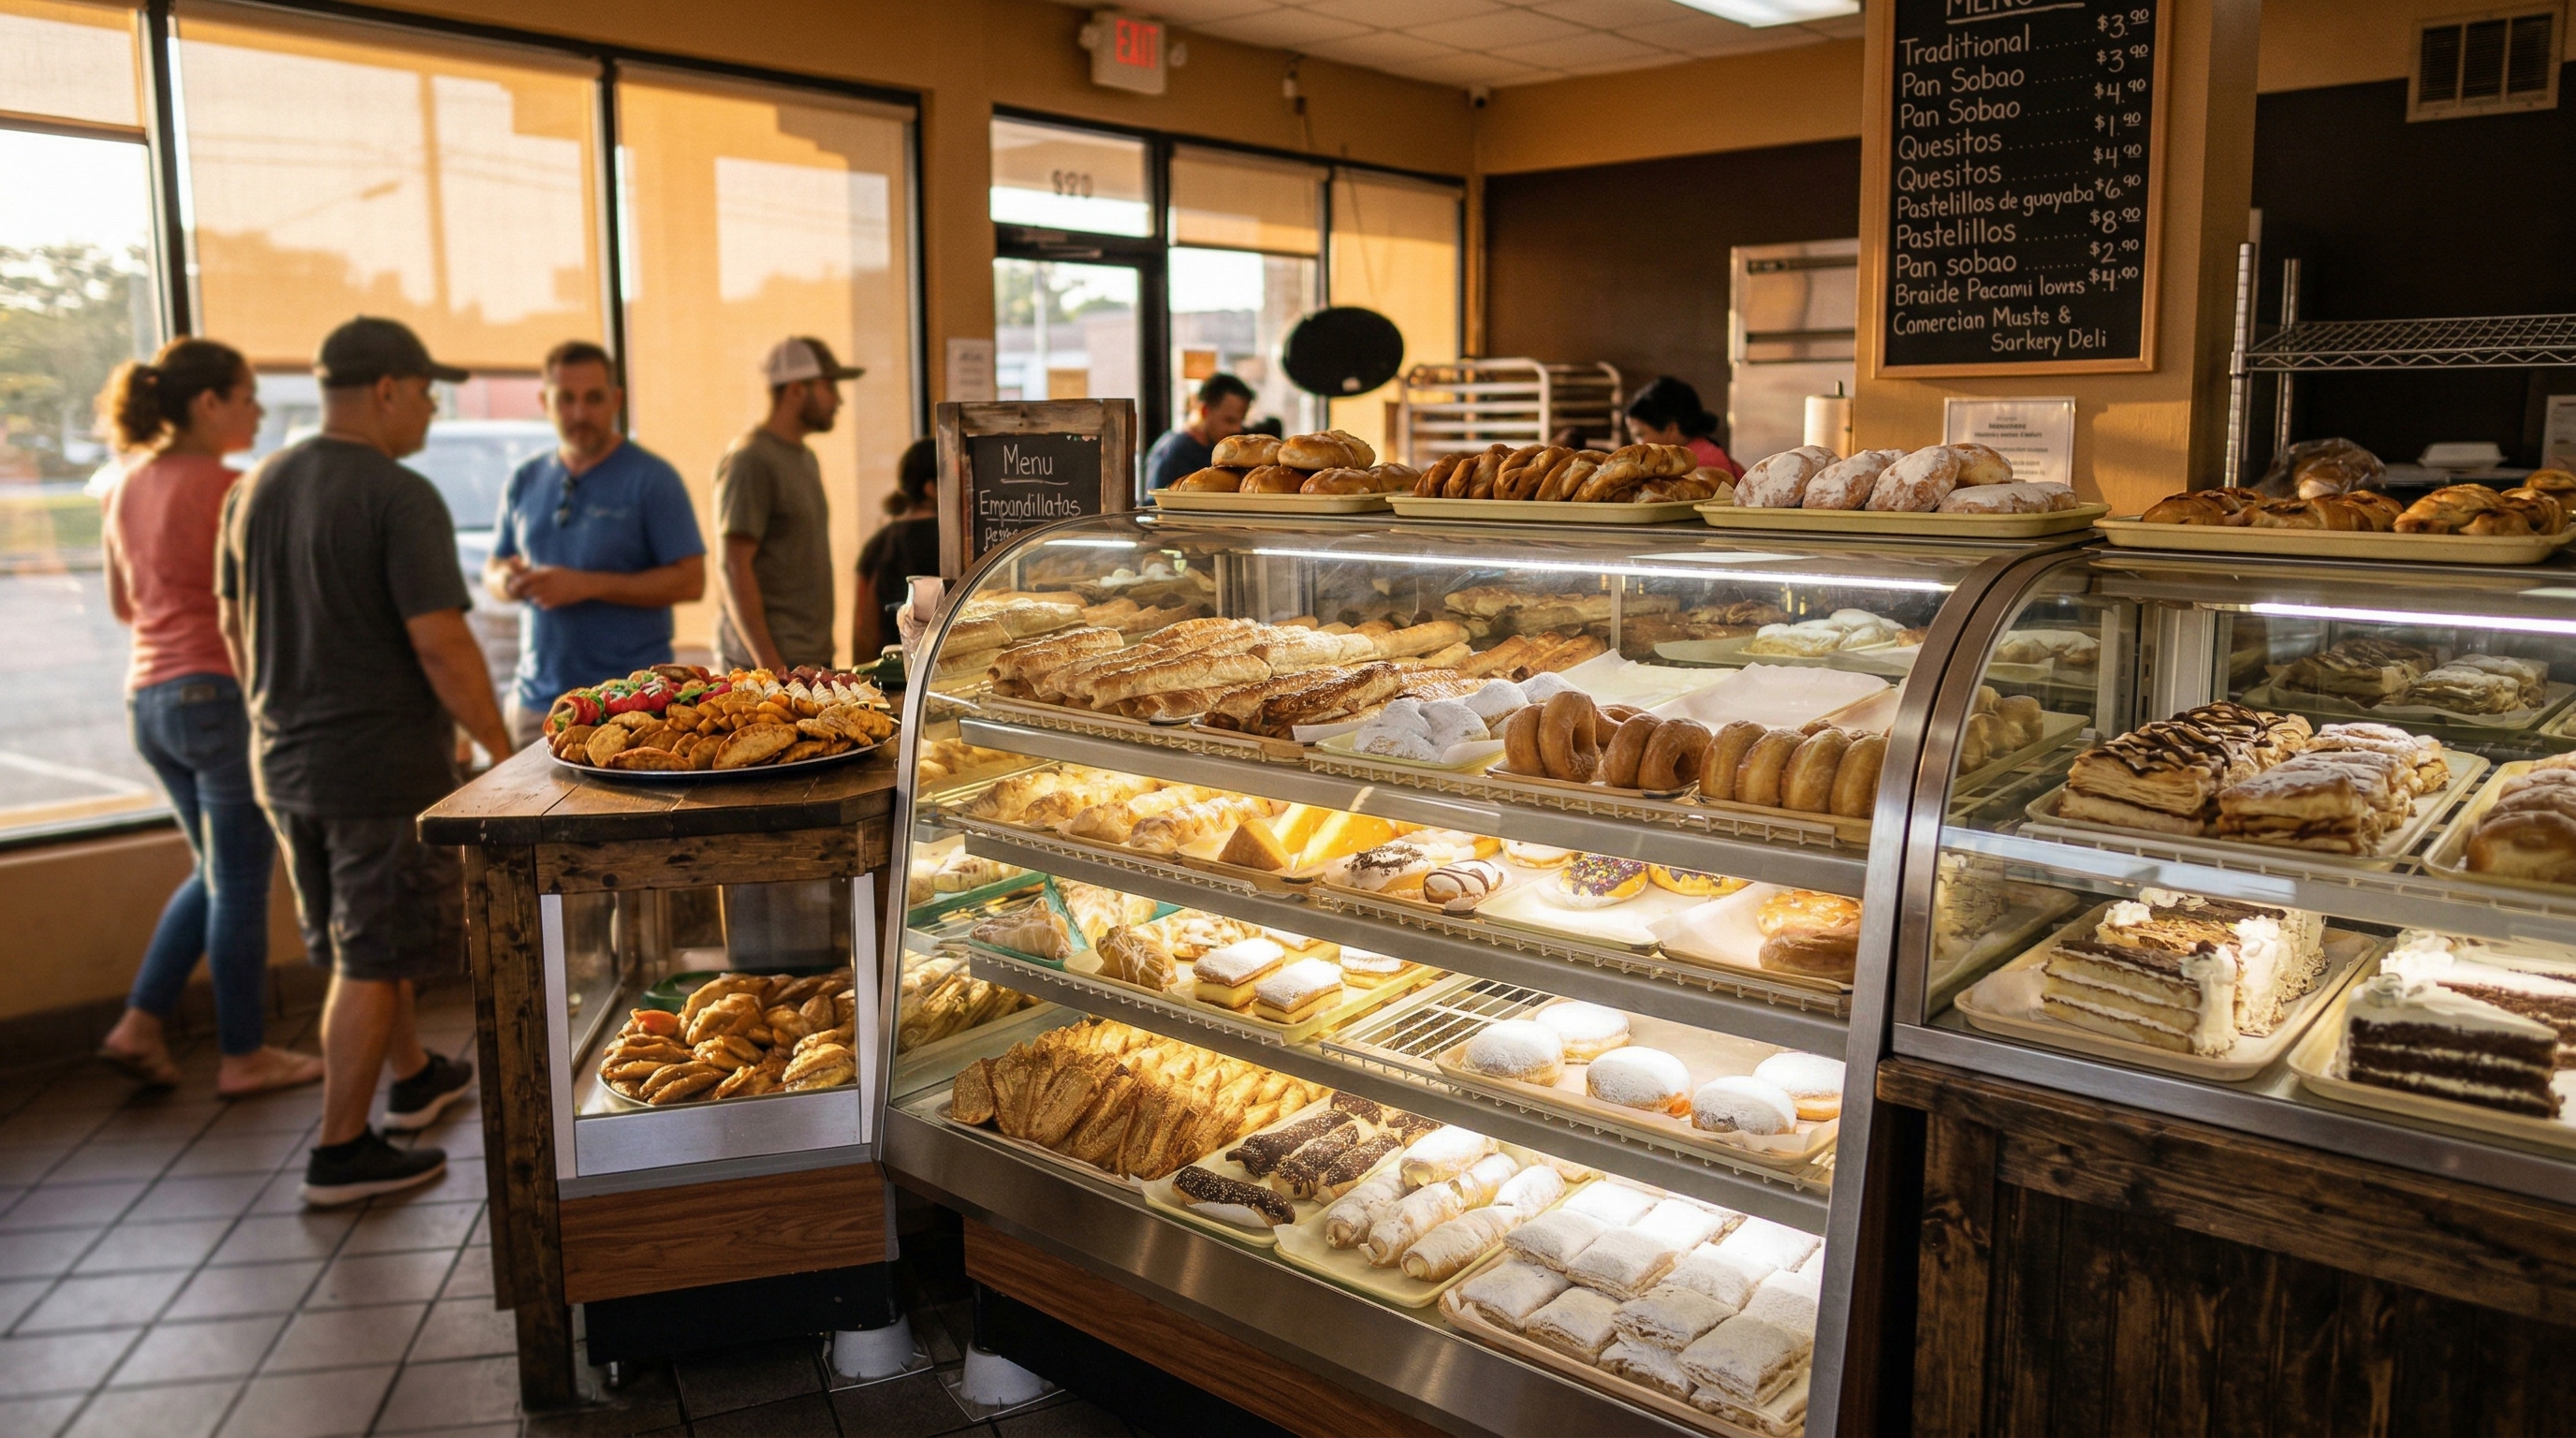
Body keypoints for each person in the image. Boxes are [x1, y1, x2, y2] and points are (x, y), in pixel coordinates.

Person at [218, 315, 512, 1207]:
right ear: (386, 388)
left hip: (284, 760)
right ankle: (341, 1152)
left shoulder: (255, 487)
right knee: (374, 955)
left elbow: (233, 626)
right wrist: (503, 754)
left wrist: (280, 712)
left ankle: (416, 1075)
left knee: (351, 940)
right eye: (426, 392)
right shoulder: (398, 493)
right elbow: (440, 644)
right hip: (376, 768)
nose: (430, 409)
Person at [94, 339, 324, 1099]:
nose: (258, 410)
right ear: (208, 405)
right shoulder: (234, 488)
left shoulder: (127, 485)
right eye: (248, 395)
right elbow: (270, 607)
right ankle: (244, 1054)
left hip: (149, 702)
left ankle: (139, 1025)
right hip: (217, 698)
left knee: (215, 871)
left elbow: (124, 605)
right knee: (239, 882)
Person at [486, 341, 705, 748]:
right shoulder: (525, 479)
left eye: (593, 398)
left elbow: (691, 582)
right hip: (539, 705)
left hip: (632, 708)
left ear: (616, 400)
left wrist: (586, 585)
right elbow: (494, 568)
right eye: (565, 399)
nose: (579, 413)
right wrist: (507, 581)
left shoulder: (653, 479)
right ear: (544, 401)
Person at [712, 337, 860, 673]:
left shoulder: (805, 458)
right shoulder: (751, 459)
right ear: (796, 389)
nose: (838, 400)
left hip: (808, 657)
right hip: (769, 665)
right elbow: (734, 566)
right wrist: (770, 665)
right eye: (829, 387)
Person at [853, 437, 939, 665]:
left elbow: (864, 628)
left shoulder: (881, 541)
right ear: (931, 488)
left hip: (892, 667)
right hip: (942, 669)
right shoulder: (953, 538)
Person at [1144, 373, 1253, 490]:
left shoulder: (1215, 451)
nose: (1237, 429)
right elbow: (1156, 503)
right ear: (1205, 411)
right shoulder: (1174, 453)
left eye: (1241, 421)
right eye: (1229, 420)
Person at [1625, 375, 1743, 478]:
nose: (1636, 445)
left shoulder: (1697, 466)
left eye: (1640, 435)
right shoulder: (1702, 451)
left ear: (1671, 428)